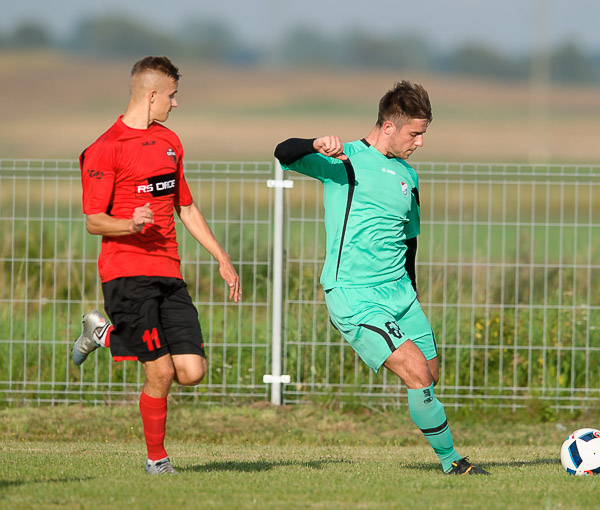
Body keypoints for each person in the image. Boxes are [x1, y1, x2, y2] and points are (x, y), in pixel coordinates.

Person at [274, 80, 489, 476]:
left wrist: (413, 293)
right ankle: (453, 463)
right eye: (414, 134)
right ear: (389, 126)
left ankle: (435, 430)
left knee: (430, 374)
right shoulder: (344, 160)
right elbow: (283, 152)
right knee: (417, 373)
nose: (420, 143)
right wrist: (314, 143)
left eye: (423, 134)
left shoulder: (409, 175)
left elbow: (410, 241)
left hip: (401, 294)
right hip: (355, 295)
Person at [72, 56, 242, 475]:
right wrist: (129, 224)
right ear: (151, 96)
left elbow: (186, 207)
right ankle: (157, 460)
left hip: (169, 272)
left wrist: (222, 258)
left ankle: (103, 333)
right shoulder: (106, 148)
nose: (175, 103)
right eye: (172, 95)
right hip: (126, 273)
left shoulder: (170, 142)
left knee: (192, 371)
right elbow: (94, 220)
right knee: (161, 372)